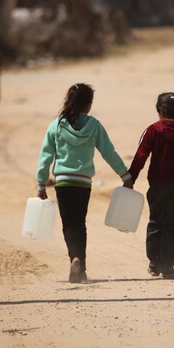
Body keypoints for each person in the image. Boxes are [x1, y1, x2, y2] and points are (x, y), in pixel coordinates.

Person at [36, 83, 132, 283]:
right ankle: (82, 269)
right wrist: (125, 175)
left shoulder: (56, 125)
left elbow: (45, 156)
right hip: (83, 183)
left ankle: (74, 258)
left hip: (62, 182)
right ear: (88, 105)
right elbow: (109, 152)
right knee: (80, 223)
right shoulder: (94, 125)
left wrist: (41, 184)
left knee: (68, 224)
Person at [125, 93, 174, 279]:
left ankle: (154, 262)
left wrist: (130, 179)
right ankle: (168, 264)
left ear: (160, 111)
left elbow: (140, 157)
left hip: (158, 187)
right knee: (173, 225)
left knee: (156, 222)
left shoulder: (152, 130)